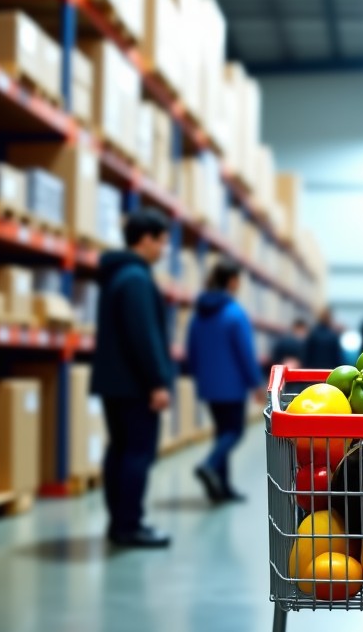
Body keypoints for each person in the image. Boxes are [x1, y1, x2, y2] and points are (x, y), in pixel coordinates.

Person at [91, 209, 176, 549]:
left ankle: (119, 523)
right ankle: (130, 525)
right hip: (136, 385)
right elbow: (144, 336)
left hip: (116, 383)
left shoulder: (117, 274)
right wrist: (157, 381)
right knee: (138, 454)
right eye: (161, 243)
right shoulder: (137, 279)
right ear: (145, 239)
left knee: (120, 450)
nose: (162, 251)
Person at [187, 260, 264, 504]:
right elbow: (245, 353)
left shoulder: (199, 315)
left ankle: (221, 488)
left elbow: (191, 350)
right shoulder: (234, 313)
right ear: (232, 281)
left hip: (209, 385)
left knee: (222, 432)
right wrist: (256, 384)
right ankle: (209, 465)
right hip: (231, 386)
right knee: (234, 432)